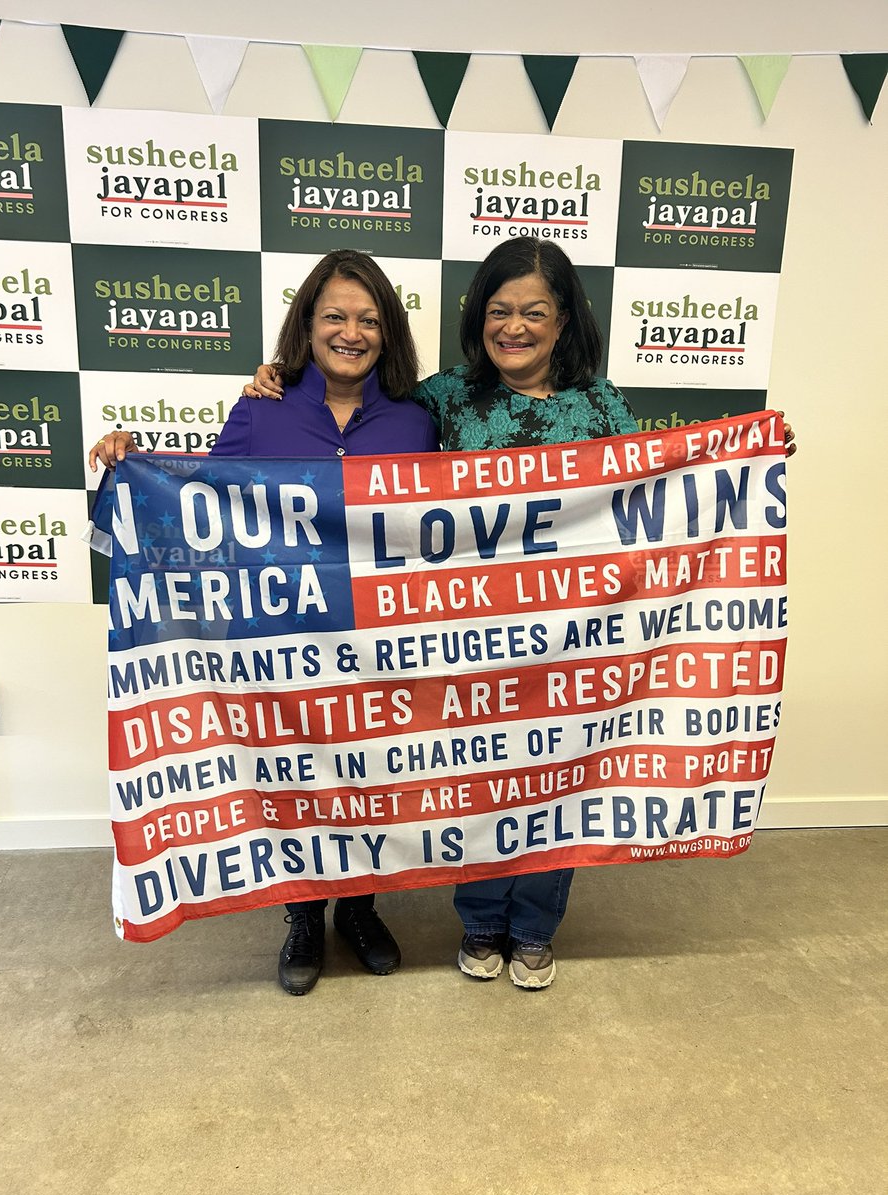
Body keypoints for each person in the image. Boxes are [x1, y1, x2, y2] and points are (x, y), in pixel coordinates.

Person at [244, 236, 797, 991]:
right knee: (481, 778)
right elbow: (362, 428)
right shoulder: (441, 399)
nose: (515, 326)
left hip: (577, 642)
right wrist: (279, 376)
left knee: (562, 781)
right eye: (499, 310)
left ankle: (533, 931)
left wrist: (752, 455)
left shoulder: (602, 405)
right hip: (473, 641)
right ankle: (477, 924)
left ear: (563, 321)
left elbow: (667, 492)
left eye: (533, 311)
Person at [89, 249, 439, 997]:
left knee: (371, 778)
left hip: (380, 643)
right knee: (296, 781)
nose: (352, 332)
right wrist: (129, 465)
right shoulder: (261, 407)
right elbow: (199, 508)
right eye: (336, 316)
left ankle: (362, 911)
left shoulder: (417, 418)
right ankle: (304, 919)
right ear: (307, 325)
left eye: (370, 319)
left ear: (390, 332)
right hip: (280, 646)